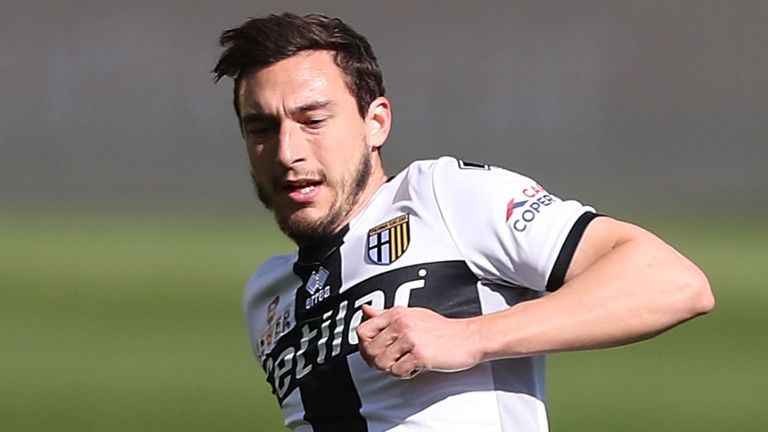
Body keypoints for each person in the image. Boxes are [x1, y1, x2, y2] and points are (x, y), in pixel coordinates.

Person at [213, 12, 714, 432]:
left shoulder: (443, 196)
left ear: (376, 122)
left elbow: (671, 283)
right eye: (261, 128)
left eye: (314, 121)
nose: (287, 151)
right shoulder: (267, 296)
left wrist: (469, 337)